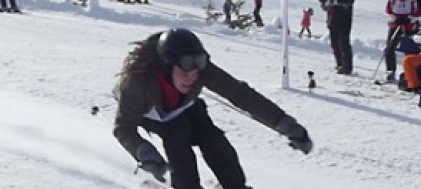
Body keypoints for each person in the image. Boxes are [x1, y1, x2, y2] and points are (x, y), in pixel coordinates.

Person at [113, 28, 312, 189]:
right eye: (185, 71)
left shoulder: (198, 69)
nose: (192, 77)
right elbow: (123, 127)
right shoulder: (137, 83)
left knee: (213, 140)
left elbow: (239, 93)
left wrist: (286, 124)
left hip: (186, 106)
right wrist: (144, 152)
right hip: (154, 114)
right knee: (177, 136)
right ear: (167, 65)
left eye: (197, 69)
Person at [383, 0, 421, 81]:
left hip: (409, 26)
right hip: (395, 24)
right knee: (389, 48)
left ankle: (410, 73)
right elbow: (388, 9)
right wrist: (394, 18)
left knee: (409, 49)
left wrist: (410, 18)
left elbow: (419, 12)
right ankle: (390, 70)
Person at [317, 0, 356, 75]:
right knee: (334, 43)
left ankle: (347, 66)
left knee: (344, 43)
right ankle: (339, 64)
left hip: (344, 20)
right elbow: (323, 0)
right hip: (333, 19)